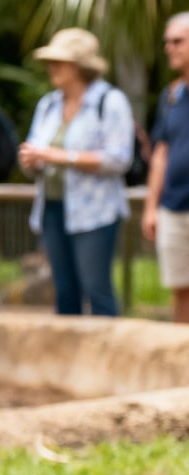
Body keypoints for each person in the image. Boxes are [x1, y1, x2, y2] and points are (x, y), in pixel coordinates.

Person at [19, 28, 133, 317]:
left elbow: (120, 159)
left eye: (58, 62)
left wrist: (62, 156)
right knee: (64, 289)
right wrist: (32, 160)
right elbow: (36, 153)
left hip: (95, 211)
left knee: (96, 288)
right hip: (53, 208)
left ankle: (108, 357)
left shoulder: (110, 101)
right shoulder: (48, 105)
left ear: (80, 65)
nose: (51, 68)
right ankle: (68, 359)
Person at [144, 12, 189, 324]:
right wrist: (151, 206)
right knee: (180, 288)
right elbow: (161, 152)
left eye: (177, 41)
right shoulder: (171, 95)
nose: (169, 48)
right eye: (167, 42)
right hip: (173, 206)